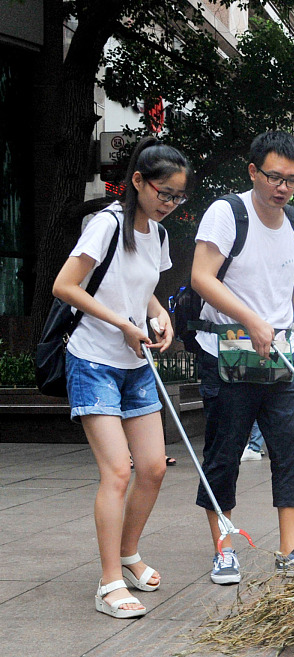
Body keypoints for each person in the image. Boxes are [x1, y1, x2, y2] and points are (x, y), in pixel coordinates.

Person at [190, 131, 294, 585]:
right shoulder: (227, 213)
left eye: (292, 180)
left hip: (283, 353)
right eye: (274, 177)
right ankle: (224, 548)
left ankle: (290, 548)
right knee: (225, 450)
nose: (283, 187)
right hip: (228, 352)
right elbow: (201, 276)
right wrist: (250, 319)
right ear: (253, 171)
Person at [52, 137, 188, 617]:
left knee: (152, 468)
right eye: (163, 193)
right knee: (117, 471)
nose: (169, 204)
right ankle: (109, 582)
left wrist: (157, 316)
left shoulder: (159, 234)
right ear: (138, 181)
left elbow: (141, 288)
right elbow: (65, 286)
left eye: (178, 197)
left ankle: (129, 554)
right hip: (93, 360)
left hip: (135, 363)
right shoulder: (106, 225)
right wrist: (122, 324)